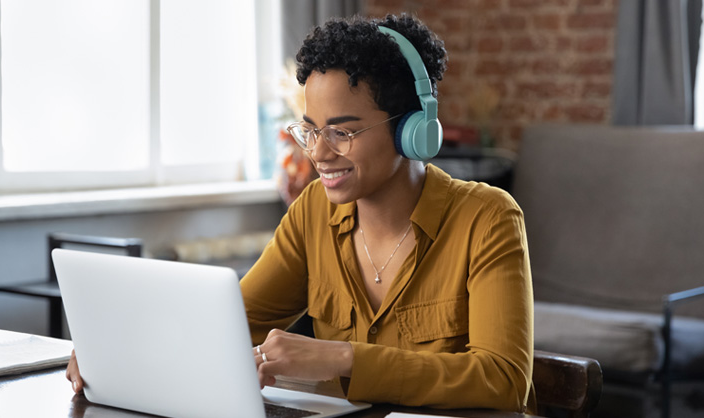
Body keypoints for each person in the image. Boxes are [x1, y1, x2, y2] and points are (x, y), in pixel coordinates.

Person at [67, 13, 535, 413]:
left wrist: (343, 357)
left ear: (412, 131)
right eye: (309, 130)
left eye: (342, 132)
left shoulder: (488, 219)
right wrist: (118, 350)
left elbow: (505, 380)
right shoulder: (313, 211)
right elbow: (230, 321)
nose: (319, 152)